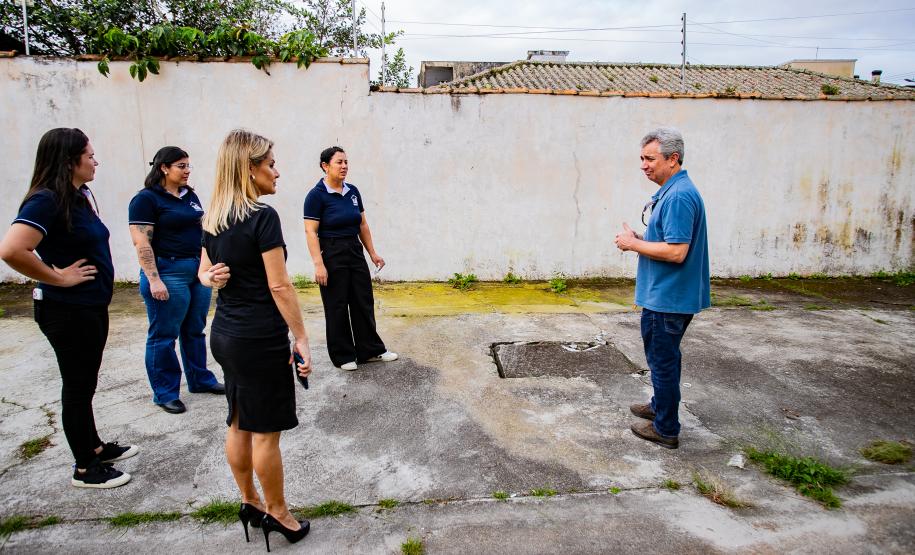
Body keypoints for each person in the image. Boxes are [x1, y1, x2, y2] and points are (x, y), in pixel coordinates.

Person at [0, 128, 138, 488]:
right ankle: (84, 468)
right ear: (68, 160)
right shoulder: (45, 200)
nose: (95, 161)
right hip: (66, 310)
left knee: (85, 383)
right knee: (76, 387)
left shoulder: (75, 196)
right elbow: (13, 249)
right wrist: (57, 278)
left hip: (88, 307)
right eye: (89, 155)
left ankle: (93, 446)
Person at [199, 129, 312, 549]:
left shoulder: (212, 218)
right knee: (264, 431)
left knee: (238, 421)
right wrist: (300, 338)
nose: (277, 172)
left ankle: (250, 502)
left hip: (226, 335)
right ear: (249, 168)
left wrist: (208, 277)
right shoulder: (262, 217)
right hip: (258, 338)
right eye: (270, 164)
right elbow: (280, 287)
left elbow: (203, 272)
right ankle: (279, 514)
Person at [614, 127, 710, 449]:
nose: (643, 165)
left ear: (673, 159)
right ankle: (659, 407)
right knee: (664, 359)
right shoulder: (674, 190)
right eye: (641, 158)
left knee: (663, 362)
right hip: (668, 295)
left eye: (650, 158)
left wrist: (632, 245)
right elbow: (668, 242)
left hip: (667, 299)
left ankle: (666, 428)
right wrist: (643, 240)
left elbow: (677, 251)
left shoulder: (680, 196)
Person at [128, 146, 224, 414]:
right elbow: (141, 242)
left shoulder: (189, 196)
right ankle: (165, 392)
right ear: (163, 168)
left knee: (194, 329)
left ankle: (200, 379)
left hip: (195, 271)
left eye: (188, 166)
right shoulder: (146, 200)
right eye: (181, 166)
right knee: (163, 335)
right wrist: (154, 279)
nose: (187, 171)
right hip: (167, 273)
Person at [303, 146, 397, 371]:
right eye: (339, 162)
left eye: (346, 162)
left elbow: (362, 224)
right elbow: (310, 232)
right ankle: (343, 355)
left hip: (354, 250)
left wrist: (372, 253)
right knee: (337, 305)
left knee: (363, 301)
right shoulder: (316, 196)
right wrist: (319, 264)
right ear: (325, 166)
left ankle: (370, 349)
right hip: (332, 252)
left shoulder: (353, 191)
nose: (344, 166)